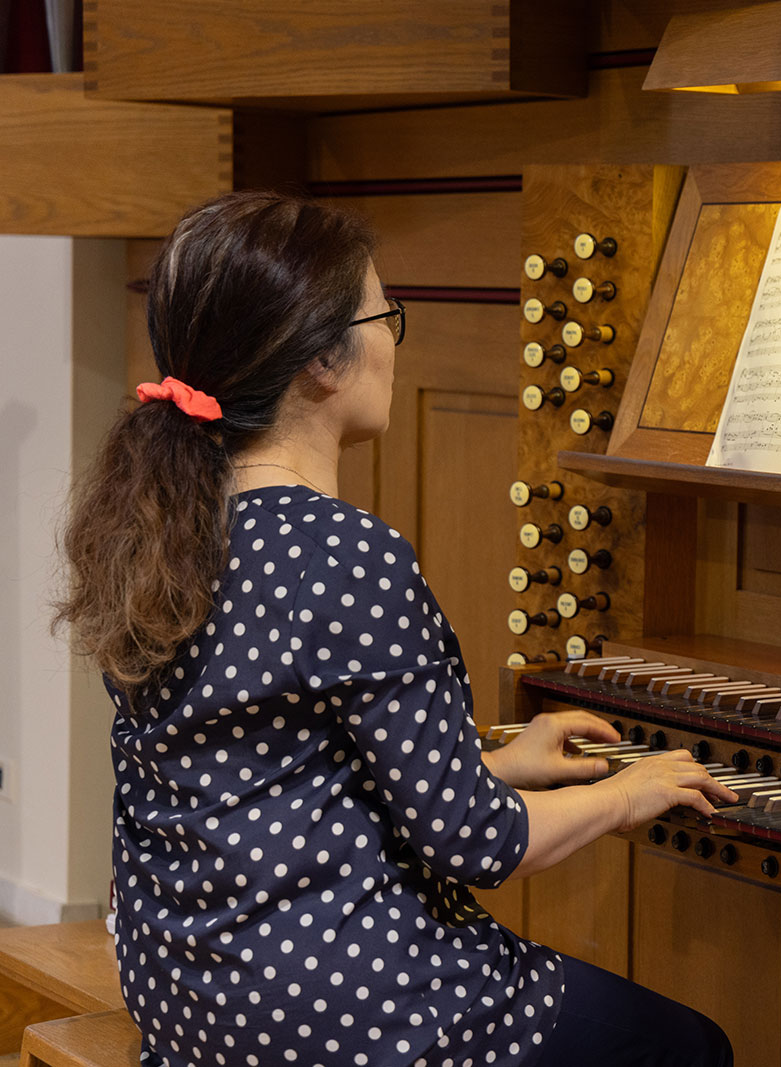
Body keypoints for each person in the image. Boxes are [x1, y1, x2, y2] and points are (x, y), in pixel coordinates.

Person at [54, 191, 739, 1066]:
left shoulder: (163, 528)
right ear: (321, 363)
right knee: (689, 1046)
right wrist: (625, 796)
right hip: (337, 1015)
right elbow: (477, 841)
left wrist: (492, 760)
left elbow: (268, 778)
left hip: (189, 995)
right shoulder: (344, 553)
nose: (391, 339)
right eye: (385, 314)